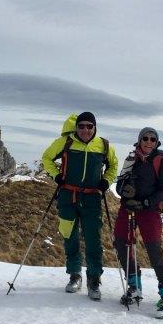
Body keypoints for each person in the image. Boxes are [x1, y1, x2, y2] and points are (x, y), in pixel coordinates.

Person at [42, 112, 118, 300]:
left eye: (89, 126)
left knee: (93, 239)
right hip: (68, 196)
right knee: (70, 236)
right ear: (76, 127)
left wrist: (106, 180)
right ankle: (75, 274)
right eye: (81, 126)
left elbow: (113, 165)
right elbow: (47, 158)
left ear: (95, 128)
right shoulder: (65, 142)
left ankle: (94, 278)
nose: (85, 129)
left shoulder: (104, 145)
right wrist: (56, 176)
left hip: (92, 198)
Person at [114, 127, 163, 318]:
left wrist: (146, 203)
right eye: (145, 138)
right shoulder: (131, 158)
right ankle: (134, 286)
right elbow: (120, 184)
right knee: (121, 243)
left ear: (157, 142)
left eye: (152, 139)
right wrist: (125, 193)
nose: (148, 142)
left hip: (149, 211)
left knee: (154, 250)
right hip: (129, 208)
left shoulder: (161, 160)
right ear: (139, 140)